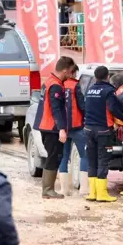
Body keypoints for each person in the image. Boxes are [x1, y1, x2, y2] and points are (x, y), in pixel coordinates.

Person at [83, 66, 123, 202]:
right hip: (103, 130)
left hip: (88, 129)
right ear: (107, 77)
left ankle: (93, 193)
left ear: (95, 77)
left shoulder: (90, 90)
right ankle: (102, 194)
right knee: (103, 161)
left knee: (92, 161)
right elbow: (113, 108)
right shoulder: (108, 91)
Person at [34, 56, 76, 199]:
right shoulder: (56, 86)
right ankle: (47, 190)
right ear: (64, 70)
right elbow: (56, 109)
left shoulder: (49, 81)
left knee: (54, 156)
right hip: (51, 127)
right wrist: (61, 129)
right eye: (70, 72)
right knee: (55, 156)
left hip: (44, 125)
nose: (71, 75)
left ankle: (48, 189)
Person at [59, 64, 89, 195]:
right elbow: (82, 106)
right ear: (72, 72)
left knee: (64, 157)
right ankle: (84, 189)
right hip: (77, 127)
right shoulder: (75, 86)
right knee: (84, 155)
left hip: (62, 128)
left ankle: (64, 189)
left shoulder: (58, 85)